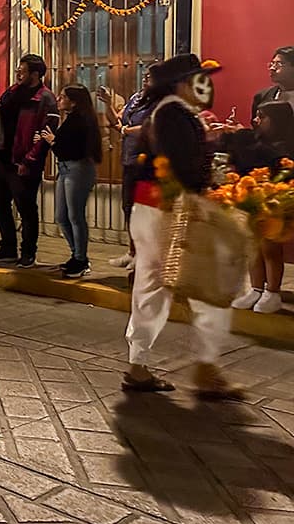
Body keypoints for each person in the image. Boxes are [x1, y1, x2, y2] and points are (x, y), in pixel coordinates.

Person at [123, 54, 244, 399]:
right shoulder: (173, 114)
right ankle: (207, 368)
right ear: (181, 83)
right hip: (170, 208)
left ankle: (139, 365)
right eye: (198, 79)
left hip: (154, 208)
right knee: (210, 284)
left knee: (151, 288)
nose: (204, 86)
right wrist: (203, 198)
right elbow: (181, 164)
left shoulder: (168, 113)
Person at [0, 55, 59, 268]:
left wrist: (28, 161)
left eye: (23, 71)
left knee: (26, 209)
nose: (18, 74)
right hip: (3, 158)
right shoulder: (11, 92)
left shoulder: (45, 99)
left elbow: (46, 134)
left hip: (23, 162)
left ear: (35, 74)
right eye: (18, 70)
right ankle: (8, 247)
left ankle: (28, 253)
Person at [226, 101, 294, 313]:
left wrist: (241, 135)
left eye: (262, 117)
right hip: (252, 200)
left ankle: (272, 292)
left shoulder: (284, 145)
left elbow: (271, 159)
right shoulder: (255, 140)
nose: (256, 121)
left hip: (274, 200)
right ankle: (256, 289)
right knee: (253, 247)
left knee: (270, 248)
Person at [37, 85, 102, 278]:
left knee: (75, 216)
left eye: (63, 96)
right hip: (65, 169)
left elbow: (71, 149)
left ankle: (81, 259)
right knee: (61, 216)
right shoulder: (71, 119)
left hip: (77, 170)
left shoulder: (82, 121)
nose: (59, 99)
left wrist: (53, 141)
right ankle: (76, 255)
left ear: (74, 101)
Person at [101, 66, 159, 271]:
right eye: (145, 75)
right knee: (128, 208)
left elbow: (150, 127)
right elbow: (115, 120)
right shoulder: (136, 98)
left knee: (144, 211)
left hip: (147, 162)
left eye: (150, 77)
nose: (145, 79)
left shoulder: (160, 103)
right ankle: (132, 251)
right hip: (128, 159)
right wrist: (108, 104)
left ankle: (144, 255)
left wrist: (125, 130)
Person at [252, 46, 294, 115]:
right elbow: (257, 124)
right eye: (272, 64)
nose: (272, 68)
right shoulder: (262, 96)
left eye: (278, 64)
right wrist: (242, 126)